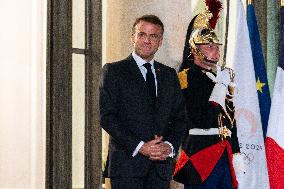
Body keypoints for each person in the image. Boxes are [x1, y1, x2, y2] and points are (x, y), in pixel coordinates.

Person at [99, 14, 187, 189]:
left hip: (160, 169)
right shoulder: (114, 71)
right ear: (133, 37)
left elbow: (180, 118)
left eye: (153, 36)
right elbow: (107, 117)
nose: (147, 40)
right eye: (142, 34)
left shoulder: (169, 75)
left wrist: (169, 146)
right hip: (127, 168)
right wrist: (141, 146)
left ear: (160, 41)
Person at [173, 9, 244, 189]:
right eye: (210, 47)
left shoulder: (219, 78)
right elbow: (198, 116)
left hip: (224, 151)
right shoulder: (186, 78)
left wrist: (236, 150)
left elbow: (230, 117)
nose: (216, 51)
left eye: (217, 47)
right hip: (200, 153)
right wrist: (220, 87)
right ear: (195, 50)